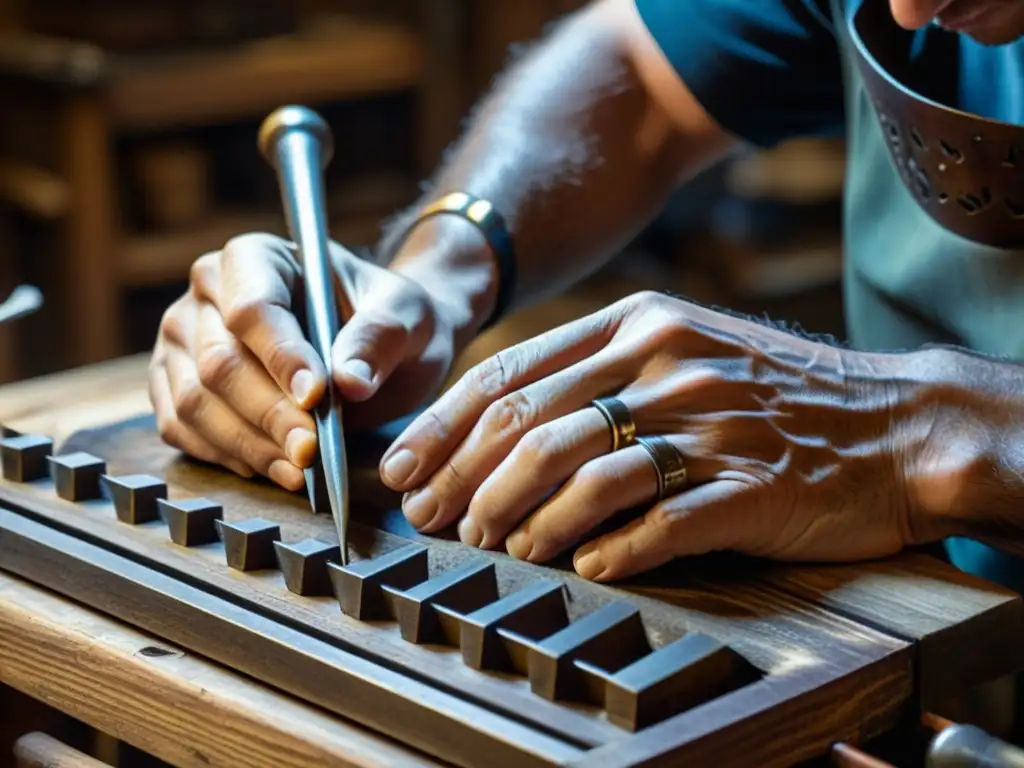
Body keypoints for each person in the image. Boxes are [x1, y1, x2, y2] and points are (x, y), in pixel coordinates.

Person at [148, 0, 1024, 589]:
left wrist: (927, 430)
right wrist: (438, 276)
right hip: (940, 605)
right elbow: (641, 72)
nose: (909, 11)